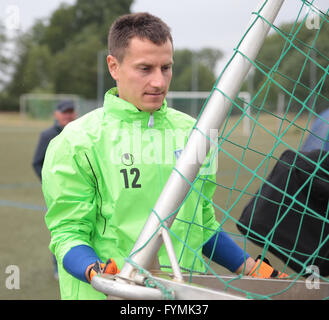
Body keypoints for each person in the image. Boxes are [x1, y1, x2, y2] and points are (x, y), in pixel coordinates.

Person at [42, 12, 287, 300]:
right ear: (114, 66)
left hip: (185, 297)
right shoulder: (76, 141)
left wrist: (250, 267)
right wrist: (94, 271)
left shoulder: (195, 133)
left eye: (166, 67)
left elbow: (202, 225)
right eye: (145, 68)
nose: (159, 81)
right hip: (112, 295)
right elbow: (67, 233)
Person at [32, 100, 77, 279]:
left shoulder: (80, 131)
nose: (67, 115)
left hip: (81, 188)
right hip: (58, 192)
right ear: (56, 114)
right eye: (64, 112)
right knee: (62, 228)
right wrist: (49, 184)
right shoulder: (48, 135)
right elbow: (37, 163)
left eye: (70, 112)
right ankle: (59, 266)